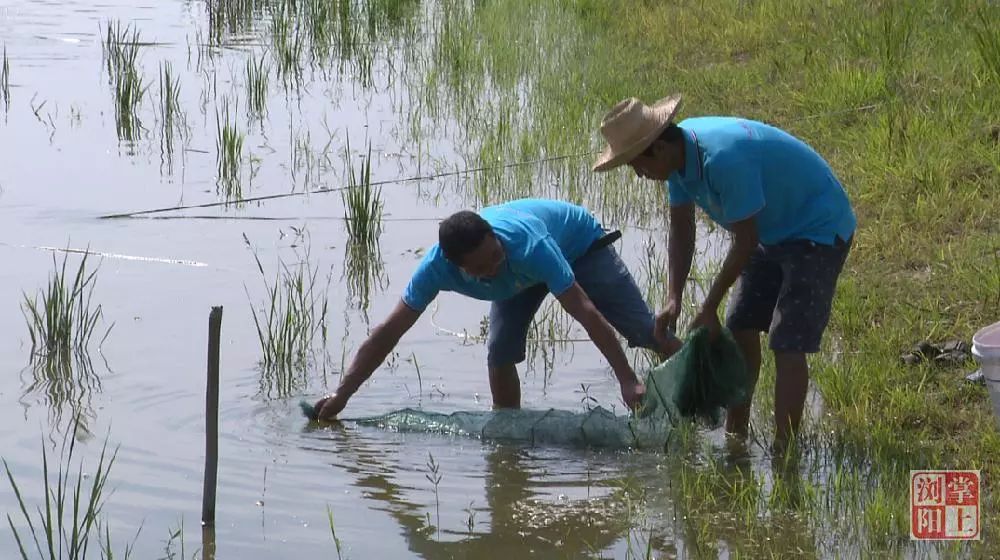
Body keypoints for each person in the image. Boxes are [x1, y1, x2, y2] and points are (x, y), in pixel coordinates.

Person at [592, 95, 856, 451]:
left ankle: (785, 451)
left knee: (787, 340)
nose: (640, 175)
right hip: (771, 229)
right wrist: (674, 297)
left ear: (657, 148)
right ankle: (737, 439)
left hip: (816, 227)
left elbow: (746, 239)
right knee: (740, 327)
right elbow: (682, 231)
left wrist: (708, 305)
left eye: (637, 165)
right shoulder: (677, 163)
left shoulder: (723, 158)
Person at [313, 198, 683, 420]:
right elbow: (389, 332)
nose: (492, 267)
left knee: (643, 331)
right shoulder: (434, 269)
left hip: (579, 246)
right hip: (519, 279)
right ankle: (510, 431)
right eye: (480, 268)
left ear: (494, 236)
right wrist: (342, 394)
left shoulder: (526, 245)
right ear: (456, 268)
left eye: (493, 255)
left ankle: (704, 376)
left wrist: (625, 378)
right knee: (500, 352)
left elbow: (584, 311)